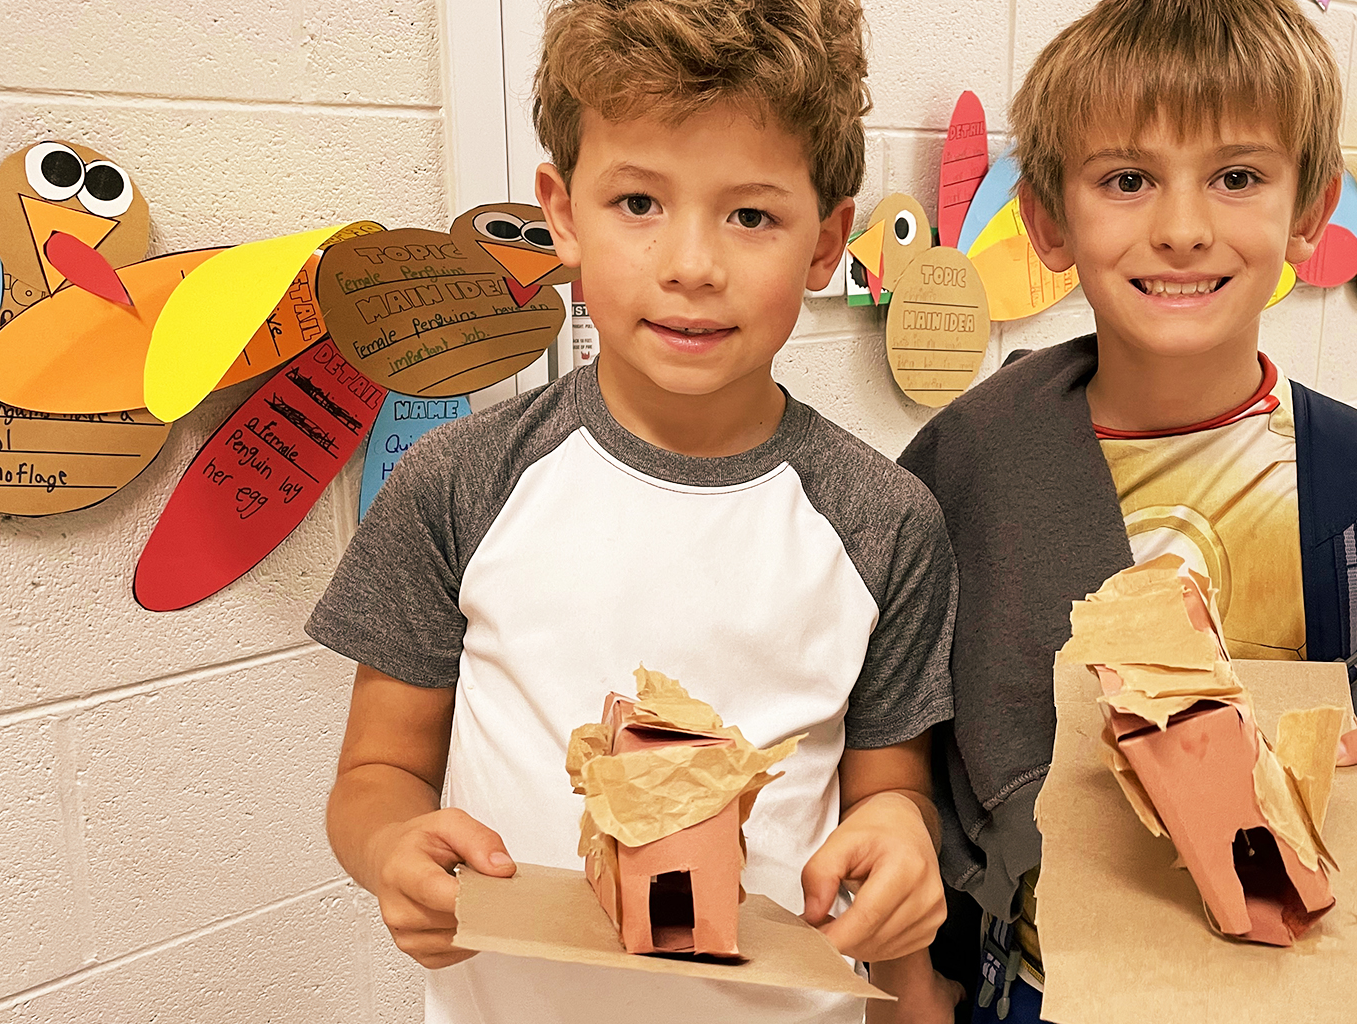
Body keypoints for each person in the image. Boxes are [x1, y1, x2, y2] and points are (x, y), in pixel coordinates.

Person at [308, 1, 961, 1021]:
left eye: (750, 215)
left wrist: (905, 838)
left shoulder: (883, 520)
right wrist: (391, 844)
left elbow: (892, 787)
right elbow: (378, 769)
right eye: (639, 203)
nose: (692, 264)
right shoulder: (458, 486)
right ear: (562, 211)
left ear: (828, 240)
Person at [896, 2, 1357, 1019]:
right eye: (1127, 180)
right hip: (1041, 985)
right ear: (1047, 220)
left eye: (1238, 177)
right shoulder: (965, 468)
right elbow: (906, 763)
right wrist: (908, 987)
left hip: (1297, 986)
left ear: (1310, 211)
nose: (1181, 227)